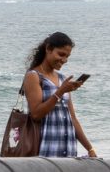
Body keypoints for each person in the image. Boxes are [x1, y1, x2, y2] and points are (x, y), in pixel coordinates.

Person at [21, 32, 98, 160]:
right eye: (61, 54)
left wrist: (90, 149)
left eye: (67, 56)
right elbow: (36, 114)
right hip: (45, 150)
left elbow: (72, 119)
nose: (64, 60)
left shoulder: (63, 79)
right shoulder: (33, 76)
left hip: (67, 150)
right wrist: (60, 92)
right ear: (48, 49)